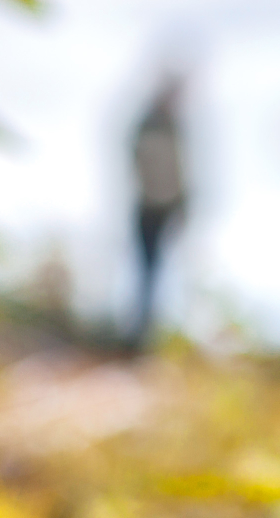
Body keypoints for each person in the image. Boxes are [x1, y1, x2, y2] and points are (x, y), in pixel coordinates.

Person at [128, 77, 187, 352]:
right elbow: (143, 163)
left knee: (157, 275)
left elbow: (179, 170)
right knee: (145, 274)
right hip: (149, 208)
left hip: (167, 210)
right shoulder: (150, 123)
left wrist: (181, 204)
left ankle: (149, 340)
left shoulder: (174, 127)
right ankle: (137, 339)